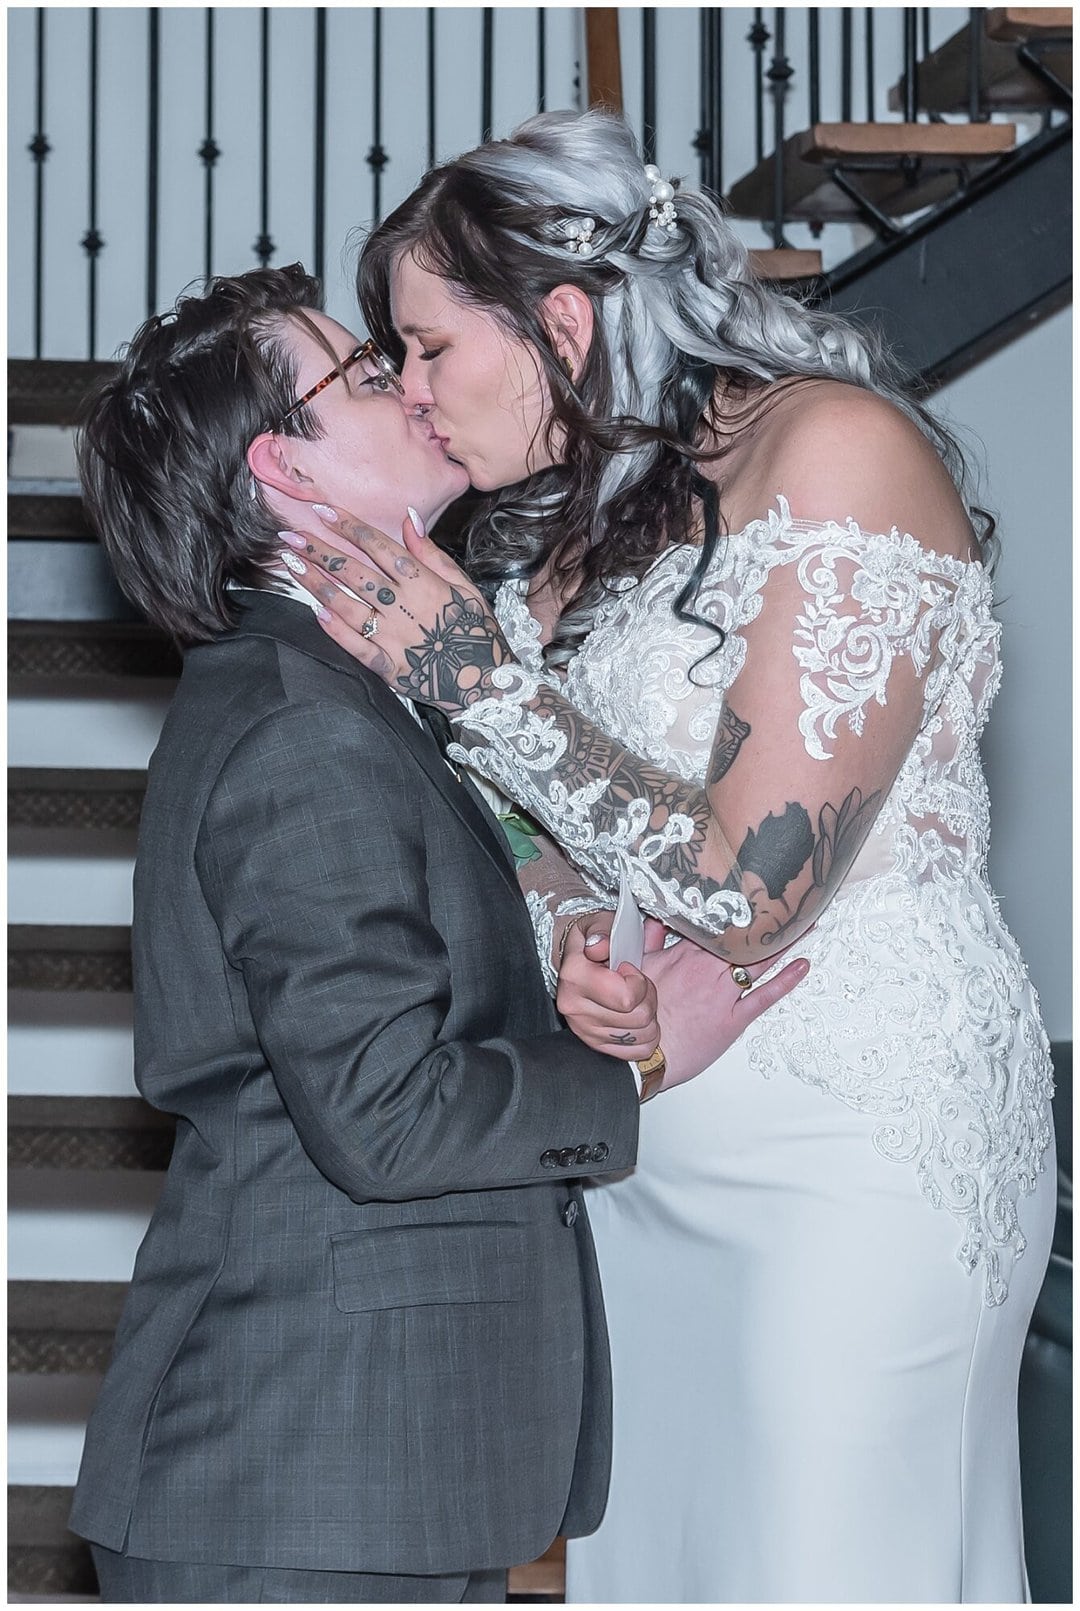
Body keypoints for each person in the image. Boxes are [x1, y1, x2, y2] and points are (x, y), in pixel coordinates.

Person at [291, 111, 1057, 1602]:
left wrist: (472, 677)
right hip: (652, 1155)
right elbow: (553, 835)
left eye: (432, 348)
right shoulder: (575, 532)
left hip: (855, 1159)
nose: (418, 394)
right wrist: (581, 942)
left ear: (562, 322)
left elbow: (747, 885)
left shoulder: (834, 448)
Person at [67, 263, 799, 1604]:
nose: (411, 387)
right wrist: (637, 1066)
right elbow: (385, 1113)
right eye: (362, 374)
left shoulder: (335, 694)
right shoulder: (300, 726)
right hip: (299, 1484)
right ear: (283, 470)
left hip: (348, 1477)